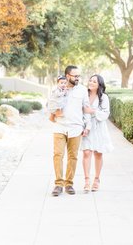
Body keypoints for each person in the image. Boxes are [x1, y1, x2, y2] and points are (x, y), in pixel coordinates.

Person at [50, 65, 91, 196]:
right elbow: (50, 104)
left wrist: (87, 126)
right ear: (68, 76)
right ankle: (58, 184)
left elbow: (86, 109)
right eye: (76, 76)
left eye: (79, 76)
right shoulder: (57, 89)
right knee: (58, 155)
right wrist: (52, 113)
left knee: (73, 157)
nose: (78, 78)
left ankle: (69, 183)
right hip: (59, 126)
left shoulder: (83, 90)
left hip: (76, 127)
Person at [81, 74, 114, 192]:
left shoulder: (104, 97)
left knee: (98, 153)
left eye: (94, 81)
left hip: (99, 127)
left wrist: (93, 111)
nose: (91, 83)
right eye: (90, 80)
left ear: (99, 84)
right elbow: (81, 111)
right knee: (86, 153)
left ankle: (96, 179)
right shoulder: (84, 95)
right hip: (86, 127)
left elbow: (105, 114)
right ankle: (86, 180)